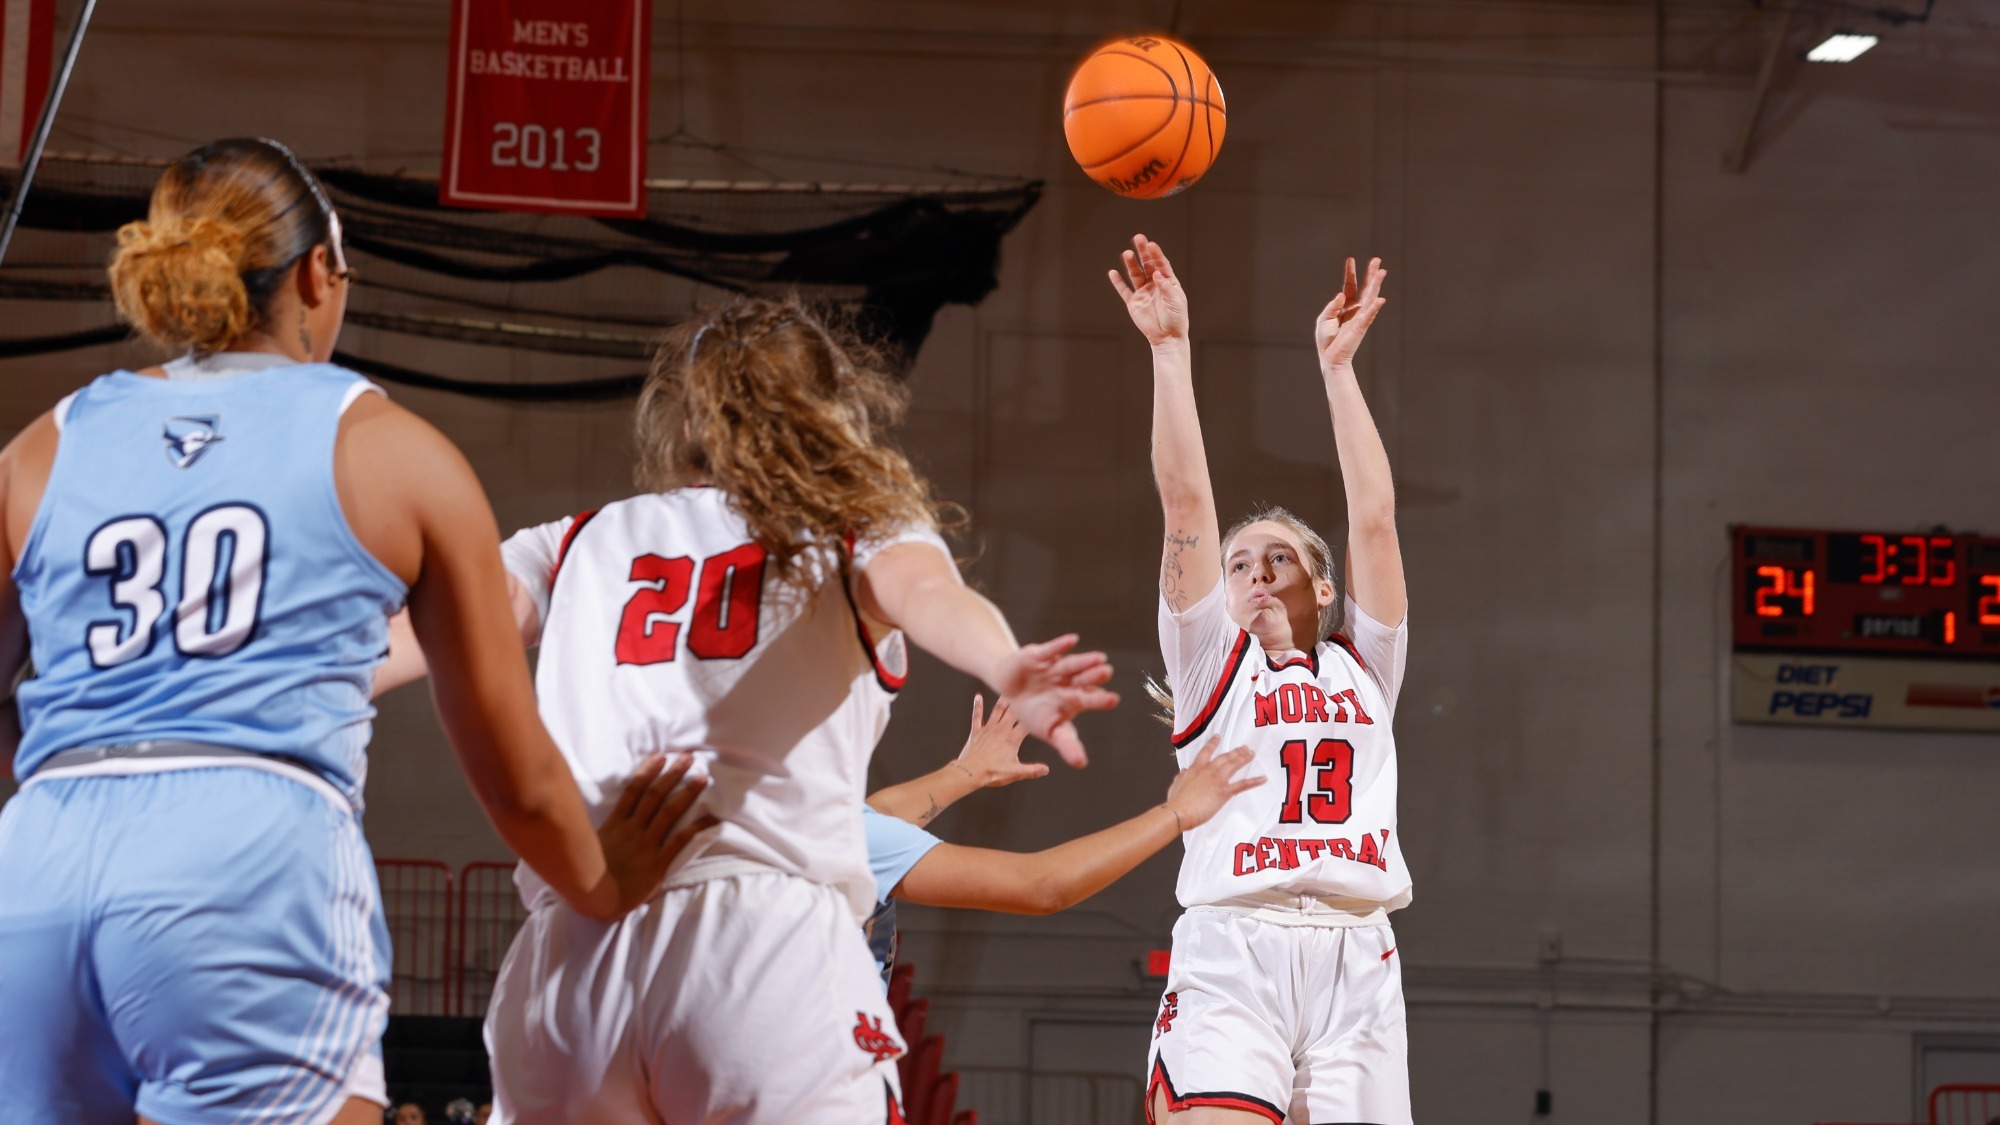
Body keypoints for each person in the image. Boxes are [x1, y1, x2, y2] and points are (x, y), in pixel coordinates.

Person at [0, 137, 708, 1125]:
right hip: (245, 855)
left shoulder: (44, 444)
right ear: (318, 274)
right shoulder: (391, 451)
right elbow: (512, 770)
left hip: (39, 863)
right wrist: (599, 880)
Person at [372, 293, 1121, 1123]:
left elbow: (391, 644)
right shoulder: (850, 529)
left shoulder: (578, 539)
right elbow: (931, 593)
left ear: (680, 417)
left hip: (577, 942)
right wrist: (1004, 659)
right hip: (762, 943)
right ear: (829, 411)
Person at [1107, 234, 1411, 1125]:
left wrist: (1340, 371)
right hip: (1236, 944)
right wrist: (1170, 350)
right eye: (1239, 564)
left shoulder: (1367, 667)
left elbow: (1378, 520)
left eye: (1279, 557)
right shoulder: (1213, 660)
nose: (1255, 571)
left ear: (1323, 588)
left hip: (1358, 952)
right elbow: (1187, 503)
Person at [861, 694, 1265, 985]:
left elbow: (878, 817)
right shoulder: (851, 839)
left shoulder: (835, 827)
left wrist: (968, 771)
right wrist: (1177, 813)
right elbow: (1042, 886)